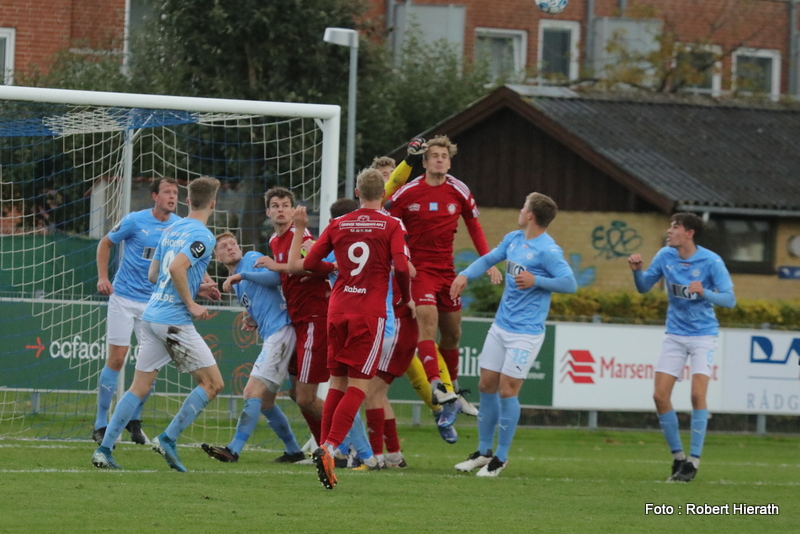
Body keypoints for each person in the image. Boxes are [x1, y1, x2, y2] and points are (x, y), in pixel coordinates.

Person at [91, 177, 224, 472]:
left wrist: (197, 288)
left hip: (151, 315)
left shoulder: (172, 229)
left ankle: (104, 450)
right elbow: (176, 267)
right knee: (213, 384)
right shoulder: (203, 236)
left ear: (187, 201)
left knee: (139, 386)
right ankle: (168, 438)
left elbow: (155, 275)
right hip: (173, 321)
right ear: (213, 204)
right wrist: (191, 303)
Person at [291, 168, 413, 489]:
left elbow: (309, 263)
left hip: (337, 309)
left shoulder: (338, 223)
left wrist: (333, 267)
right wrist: (406, 296)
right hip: (368, 312)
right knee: (359, 385)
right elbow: (402, 267)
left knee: (336, 382)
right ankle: (330, 447)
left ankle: (325, 445)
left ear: (357, 193)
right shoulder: (392, 224)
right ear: (383, 194)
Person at [450, 192, 576, 477]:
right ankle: (484, 452)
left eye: (523, 207)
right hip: (500, 327)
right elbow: (489, 259)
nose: (520, 211)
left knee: (508, 390)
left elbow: (570, 283)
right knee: (486, 385)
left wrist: (536, 280)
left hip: (525, 334)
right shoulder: (513, 239)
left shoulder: (548, 250)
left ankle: (501, 457)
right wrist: (465, 274)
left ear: (530, 215)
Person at [387, 135, 501, 430]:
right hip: (419, 273)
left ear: (449, 162)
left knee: (452, 334)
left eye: (444, 156)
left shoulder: (458, 190)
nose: (440, 160)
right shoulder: (407, 193)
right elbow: (388, 227)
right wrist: (401, 260)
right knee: (428, 324)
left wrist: (488, 262)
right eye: (434, 156)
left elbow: (474, 226)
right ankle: (437, 385)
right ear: (424, 162)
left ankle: (454, 392)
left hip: (447, 273)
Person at [627, 212, 735, 483]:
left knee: (698, 395)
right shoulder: (665, 255)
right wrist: (637, 271)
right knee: (659, 396)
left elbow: (730, 300)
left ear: (689, 233)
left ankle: (693, 462)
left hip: (703, 336)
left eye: (675, 227)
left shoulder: (711, 261)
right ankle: (678, 457)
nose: (669, 231)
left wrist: (705, 292)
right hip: (675, 335)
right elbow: (644, 287)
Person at [200, 233, 305, 464]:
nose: (231, 248)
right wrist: (253, 319)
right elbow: (265, 299)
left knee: (251, 392)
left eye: (233, 244)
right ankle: (294, 451)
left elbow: (277, 278)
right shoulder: (237, 283)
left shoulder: (250, 259)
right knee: (266, 402)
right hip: (276, 333)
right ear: (217, 257)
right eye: (224, 246)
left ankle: (233, 450)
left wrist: (243, 275)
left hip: (281, 332)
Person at [93, 177, 181, 446]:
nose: (172, 196)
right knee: (117, 359)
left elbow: (187, 260)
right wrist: (103, 277)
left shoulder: (179, 226)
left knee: (149, 364)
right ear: (155, 196)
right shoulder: (134, 220)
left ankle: (135, 421)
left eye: (175, 193)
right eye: (167, 192)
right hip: (123, 298)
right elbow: (105, 243)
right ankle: (100, 423)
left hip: (154, 303)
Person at [254, 187, 329, 448]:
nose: (281, 210)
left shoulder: (303, 236)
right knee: (297, 394)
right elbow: (285, 279)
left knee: (307, 397)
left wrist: (277, 266)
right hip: (296, 320)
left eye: (286, 205)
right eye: (275, 206)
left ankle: (352, 445)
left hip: (315, 318)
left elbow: (315, 267)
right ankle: (324, 448)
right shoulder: (275, 240)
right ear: (268, 212)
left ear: (293, 210)